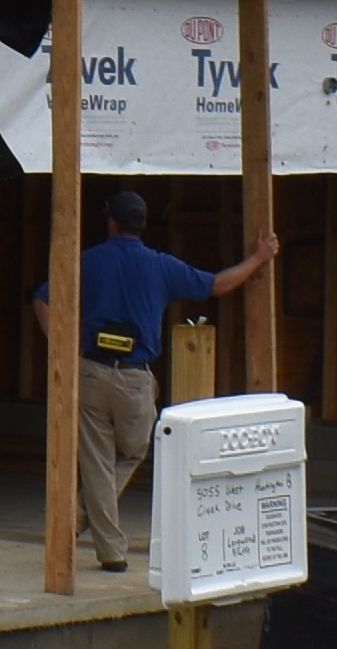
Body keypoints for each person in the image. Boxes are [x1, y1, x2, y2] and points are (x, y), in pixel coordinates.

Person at [77, 184, 279, 576]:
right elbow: (218, 285)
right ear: (141, 226)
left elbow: (43, 297)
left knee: (98, 462)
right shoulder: (161, 265)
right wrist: (258, 258)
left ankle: (82, 517)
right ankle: (109, 550)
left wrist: (63, 350)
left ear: (112, 222)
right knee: (132, 452)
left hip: (91, 372)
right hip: (134, 380)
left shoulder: (87, 260)